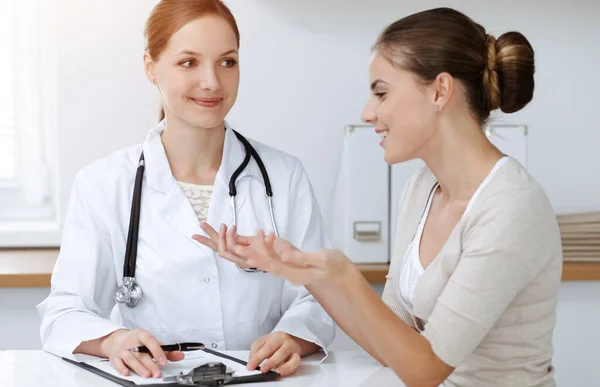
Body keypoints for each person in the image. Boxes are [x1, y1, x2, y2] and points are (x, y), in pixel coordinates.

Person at [198, 7, 562, 387]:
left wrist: (343, 273)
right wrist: (303, 271)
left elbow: (426, 370)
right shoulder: (422, 189)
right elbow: (389, 345)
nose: (368, 113)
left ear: (440, 90)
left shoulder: (510, 208)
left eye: (381, 93)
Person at [37, 0, 335, 380]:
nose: (212, 81)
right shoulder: (103, 184)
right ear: (150, 66)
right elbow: (64, 311)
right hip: (154, 379)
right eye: (188, 62)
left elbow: (319, 294)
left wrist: (293, 337)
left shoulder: (283, 176)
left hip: (258, 380)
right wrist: (112, 340)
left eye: (227, 62)